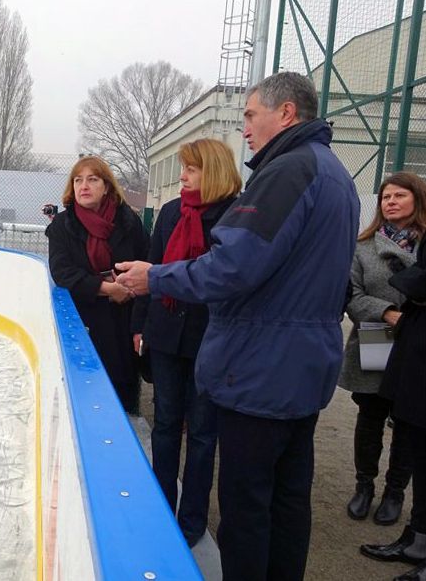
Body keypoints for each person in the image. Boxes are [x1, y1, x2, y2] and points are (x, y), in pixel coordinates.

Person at [115, 72, 359, 581]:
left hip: (261, 368)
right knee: (288, 502)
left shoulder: (288, 172)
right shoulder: (336, 174)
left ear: (286, 113)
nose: (244, 128)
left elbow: (232, 266)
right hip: (303, 366)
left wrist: (154, 277)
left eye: (250, 115)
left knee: (247, 508)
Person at [131, 138, 240, 548]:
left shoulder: (235, 217)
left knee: (202, 433)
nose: (182, 176)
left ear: (211, 170)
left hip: (210, 341)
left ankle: (191, 520)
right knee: (164, 424)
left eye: (190, 169)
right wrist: (139, 326)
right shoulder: (172, 212)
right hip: (164, 337)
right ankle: (161, 505)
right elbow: (151, 272)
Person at [341, 172, 425, 525]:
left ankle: (394, 493)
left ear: (416, 200)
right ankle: (364, 487)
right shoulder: (362, 246)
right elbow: (351, 295)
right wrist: (388, 314)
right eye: (385, 197)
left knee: (406, 420)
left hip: (417, 344)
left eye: (399, 196)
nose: (390, 202)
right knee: (371, 416)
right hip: (376, 335)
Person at [45, 156, 148, 415]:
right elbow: (62, 271)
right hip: (84, 317)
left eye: (92, 179)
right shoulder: (62, 225)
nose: (84, 186)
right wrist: (106, 289)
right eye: (78, 180)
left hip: (124, 316)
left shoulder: (128, 221)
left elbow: (146, 261)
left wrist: (127, 288)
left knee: (121, 389)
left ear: (107, 186)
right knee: (85, 393)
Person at [360, 232, 426, 580]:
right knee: (411, 435)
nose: (391, 201)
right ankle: (417, 538)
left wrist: (408, 279)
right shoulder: (366, 244)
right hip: (406, 346)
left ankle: (414, 531)